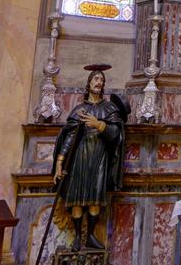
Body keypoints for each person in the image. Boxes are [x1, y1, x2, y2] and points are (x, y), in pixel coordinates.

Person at [52, 66, 127, 252]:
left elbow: (116, 134)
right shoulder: (80, 109)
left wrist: (98, 124)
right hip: (81, 157)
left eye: (101, 80)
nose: (98, 82)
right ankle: (78, 237)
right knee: (77, 198)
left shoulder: (109, 108)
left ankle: (91, 236)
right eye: (95, 79)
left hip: (99, 157)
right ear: (89, 83)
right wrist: (60, 162)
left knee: (95, 198)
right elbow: (69, 137)